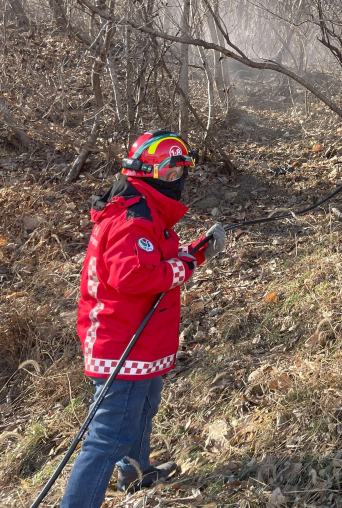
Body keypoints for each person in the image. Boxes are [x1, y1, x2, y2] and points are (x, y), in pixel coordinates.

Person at [60, 130, 226, 508]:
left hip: (142, 340)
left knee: (144, 408)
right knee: (106, 438)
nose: (177, 181)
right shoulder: (132, 217)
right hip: (120, 345)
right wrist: (184, 266)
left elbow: (152, 261)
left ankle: (135, 472)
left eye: (180, 173)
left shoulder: (146, 208)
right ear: (151, 173)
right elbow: (132, 276)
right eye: (171, 173)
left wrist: (196, 253)